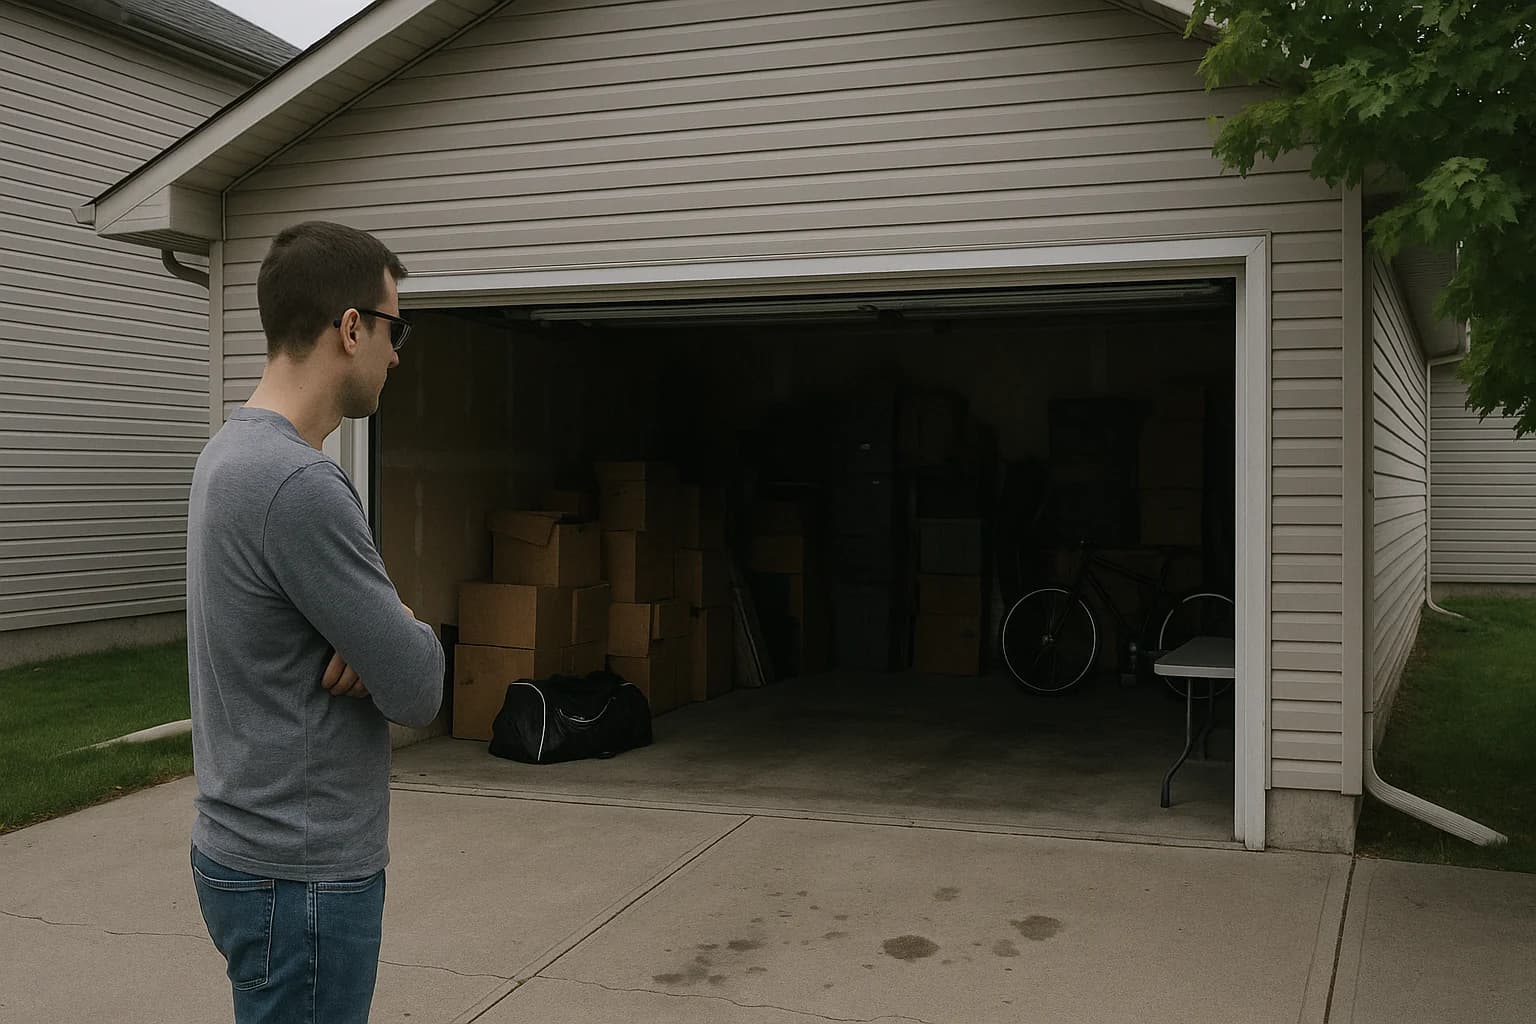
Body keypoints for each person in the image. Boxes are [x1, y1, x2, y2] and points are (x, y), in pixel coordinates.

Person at [184, 220, 445, 1023]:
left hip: (248, 849)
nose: (396, 355)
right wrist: (398, 623)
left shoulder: (228, 454)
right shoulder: (297, 484)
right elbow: (418, 684)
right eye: (393, 329)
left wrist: (377, 629)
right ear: (352, 327)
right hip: (300, 878)